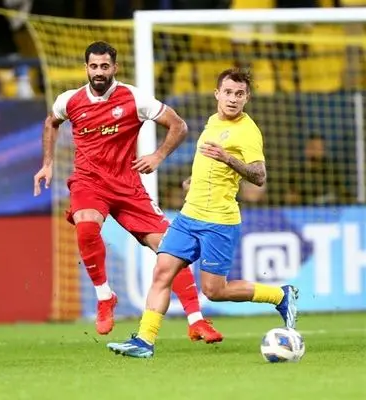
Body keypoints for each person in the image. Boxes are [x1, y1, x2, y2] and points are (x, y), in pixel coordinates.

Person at [33, 41, 223, 342]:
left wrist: (158, 156)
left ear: (115, 67)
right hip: (89, 182)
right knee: (86, 226)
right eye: (93, 66)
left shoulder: (134, 98)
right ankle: (104, 296)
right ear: (86, 68)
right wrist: (47, 163)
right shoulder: (69, 101)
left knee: (172, 249)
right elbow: (51, 122)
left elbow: (178, 125)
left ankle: (196, 321)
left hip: (128, 187)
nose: (99, 71)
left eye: (104, 66)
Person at [107, 68, 299, 358]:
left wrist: (228, 158)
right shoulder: (212, 122)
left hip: (219, 221)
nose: (233, 99)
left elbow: (259, 176)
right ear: (217, 94)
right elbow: (208, 164)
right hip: (188, 216)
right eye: (228, 92)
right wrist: (193, 182)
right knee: (162, 271)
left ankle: (280, 295)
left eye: (239, 94)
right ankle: (144, 341)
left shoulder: (248, 131)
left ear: (247, 98)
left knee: (214, 291)